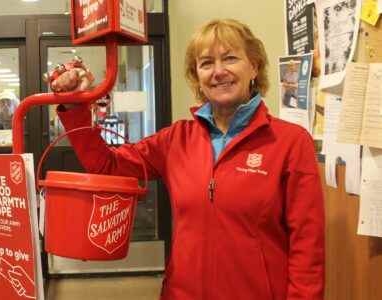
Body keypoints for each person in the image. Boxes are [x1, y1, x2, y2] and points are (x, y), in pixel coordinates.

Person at [51, 19, 324, 300]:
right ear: (197, 76)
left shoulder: (290, 142)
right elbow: (106, 166)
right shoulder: (176, 140)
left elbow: (307, 247)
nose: (218, 71)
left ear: (254, 66)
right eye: (206, 63)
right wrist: (75, 105)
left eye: (230, 58)